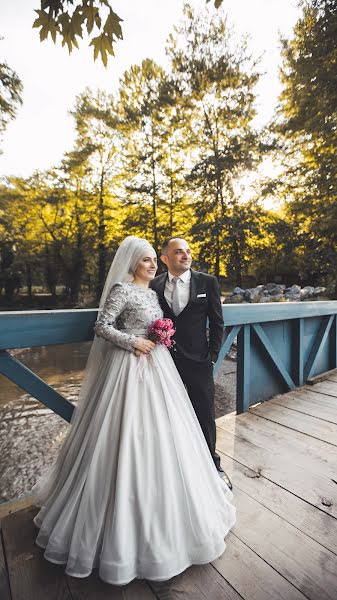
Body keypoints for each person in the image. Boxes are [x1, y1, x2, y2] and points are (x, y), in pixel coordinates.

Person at [32, 236, 235, 586]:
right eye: (146, 260)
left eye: (155, 259)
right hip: (129, 368)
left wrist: (185, 345)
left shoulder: (160, 290)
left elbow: (210, 321)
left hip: (166, 366)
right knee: (125, 433)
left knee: (185, 425)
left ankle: (210, 469)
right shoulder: (125, 290)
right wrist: (133, 341)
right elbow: (102, 325)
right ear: (132, 263)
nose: (152, 264)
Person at [150, 237, 232, 489]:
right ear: (165, 259)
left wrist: (213, 355)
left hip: (199, 362)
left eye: (188, 251)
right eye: (178, 252)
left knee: (205, 414)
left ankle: (213, 465)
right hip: (165, 361)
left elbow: (217, 322)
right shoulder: (154, 284)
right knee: (166, 414)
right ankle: (177, 465)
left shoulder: (207, 282)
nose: (186, 255)